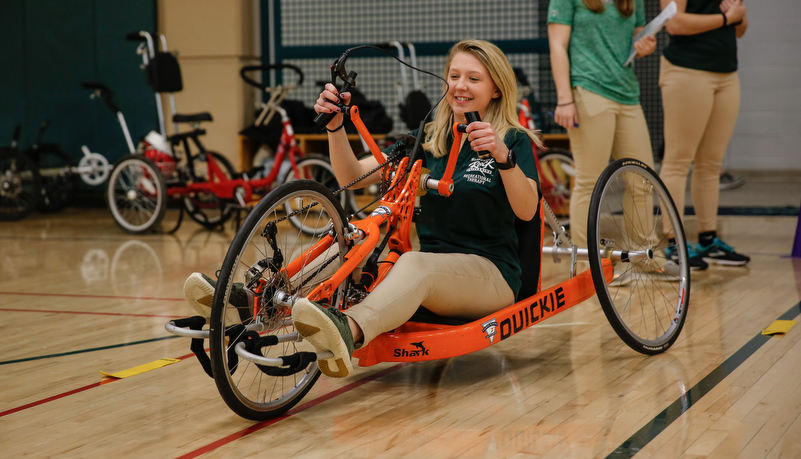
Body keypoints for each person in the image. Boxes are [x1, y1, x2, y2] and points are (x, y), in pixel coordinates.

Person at [184, 39, 542, 378]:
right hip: (434, 267)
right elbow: (354, 178)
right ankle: (255, 298)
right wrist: (336, 128)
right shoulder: (430, 139)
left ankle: (348, 330)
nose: (460, 86)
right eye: (454, 76)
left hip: (491, 275)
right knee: (351, 240)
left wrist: (502, 157)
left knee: (415, 265)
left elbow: (527, 211)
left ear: (496, 88)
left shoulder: (512, 140)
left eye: (473, 78)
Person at [547, 0, 663, 266]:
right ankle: (588, 265)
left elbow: (638, 37)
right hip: (588, 89)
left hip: (627, 92)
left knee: (642, 178)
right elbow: (557, 46)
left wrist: (646, 46)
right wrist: (565, 98)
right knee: (590, 181)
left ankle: (643, 257)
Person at [658, 0, 750, 267]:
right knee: (677, 161)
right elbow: (674, 23)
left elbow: (740, 28)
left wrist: (738, 16)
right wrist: (726, 18)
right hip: (687, 71)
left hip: (726, 74)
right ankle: (674, 242)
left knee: (711, 163)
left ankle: (708, 240)